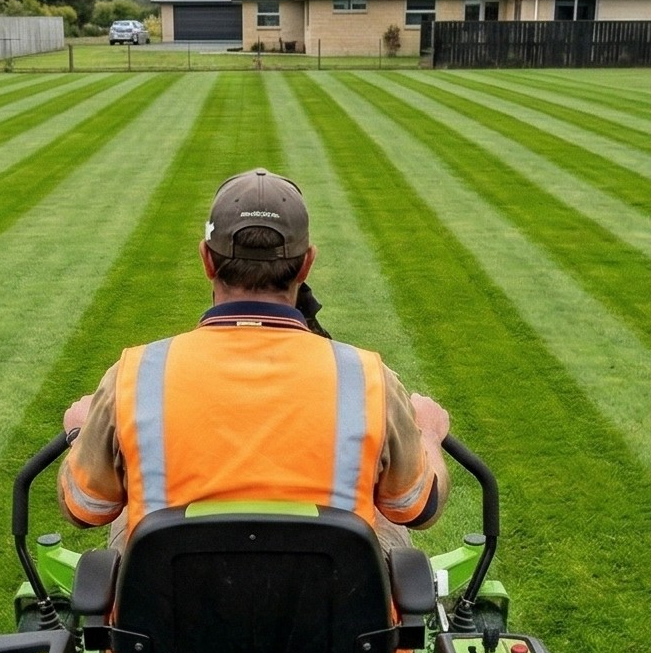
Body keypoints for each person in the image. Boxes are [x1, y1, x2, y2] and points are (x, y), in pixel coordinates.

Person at [58, 169, 449, 551]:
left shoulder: (134, 376)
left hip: (166, 612)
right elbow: (415, 507)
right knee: (378, 517)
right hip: (334, 613)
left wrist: (80, 433)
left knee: (132, 516)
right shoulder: (369, 380)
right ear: (306, 263)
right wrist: (428, 433)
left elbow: (86, 507)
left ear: (207, 261)